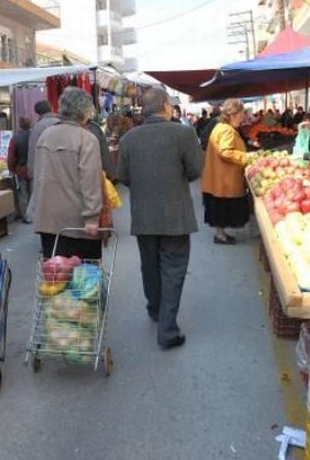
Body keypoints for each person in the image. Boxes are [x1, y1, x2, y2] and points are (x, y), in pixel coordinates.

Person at [118, 88, 204, 349]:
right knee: (174, 267)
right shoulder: (183, 133)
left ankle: (155, 308)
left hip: (143, 214)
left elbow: (123, 176)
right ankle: (167, 329)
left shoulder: (128, 139)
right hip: (175, 213)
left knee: (150, 265)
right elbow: (196, 169)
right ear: (166, 106)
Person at [32, 87, 103, 260]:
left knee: (55, 279)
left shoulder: (45, 135)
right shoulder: (86, 138)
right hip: (77, 224)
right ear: (85, 112)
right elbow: (90, 181)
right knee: (83, 281)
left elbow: (37, 174)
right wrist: (92, 217)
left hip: (47, 220)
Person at [201, 98, 250, 245]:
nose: (243, 116)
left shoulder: (220, 127)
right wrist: (245, 157)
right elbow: (226, 152)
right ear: (234, 114)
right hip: (224, 178)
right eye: (242, 113)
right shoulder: (227, 130)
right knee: (221, 208)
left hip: (218, 177)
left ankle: (220, 233)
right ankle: (220, 236)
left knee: (218, 208)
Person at [7, 116, 32, 222]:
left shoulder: (15, 138)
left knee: (23, 193)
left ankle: (26, 216)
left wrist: (11, 168)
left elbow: (11, 156)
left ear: (19, 124)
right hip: (33, 168)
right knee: (32, 192)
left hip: (20, 169)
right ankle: (33, 214)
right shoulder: (35, 135)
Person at [27, 100, 60, 180]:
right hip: (64, 170)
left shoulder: (38, 127)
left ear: (37, 113)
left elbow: (33, 151)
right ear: (51, 108)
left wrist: (31, 172)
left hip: (46, 172)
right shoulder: (62, 122)